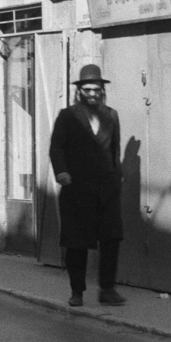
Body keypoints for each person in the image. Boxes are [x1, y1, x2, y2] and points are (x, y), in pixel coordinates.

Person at [48, 63, 127, 308]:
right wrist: (61, 171)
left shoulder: (111, 115)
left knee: (111, 239)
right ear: (79, 91)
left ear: (102, 90)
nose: (92, 94)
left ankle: (107, 289)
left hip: (107, 190)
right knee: (77, 243)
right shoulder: (68, 115)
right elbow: (56, 147)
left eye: (96, 89)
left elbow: (114, 149)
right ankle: (77, 291)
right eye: (88, 90)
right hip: (77, 190)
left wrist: (117, 176)